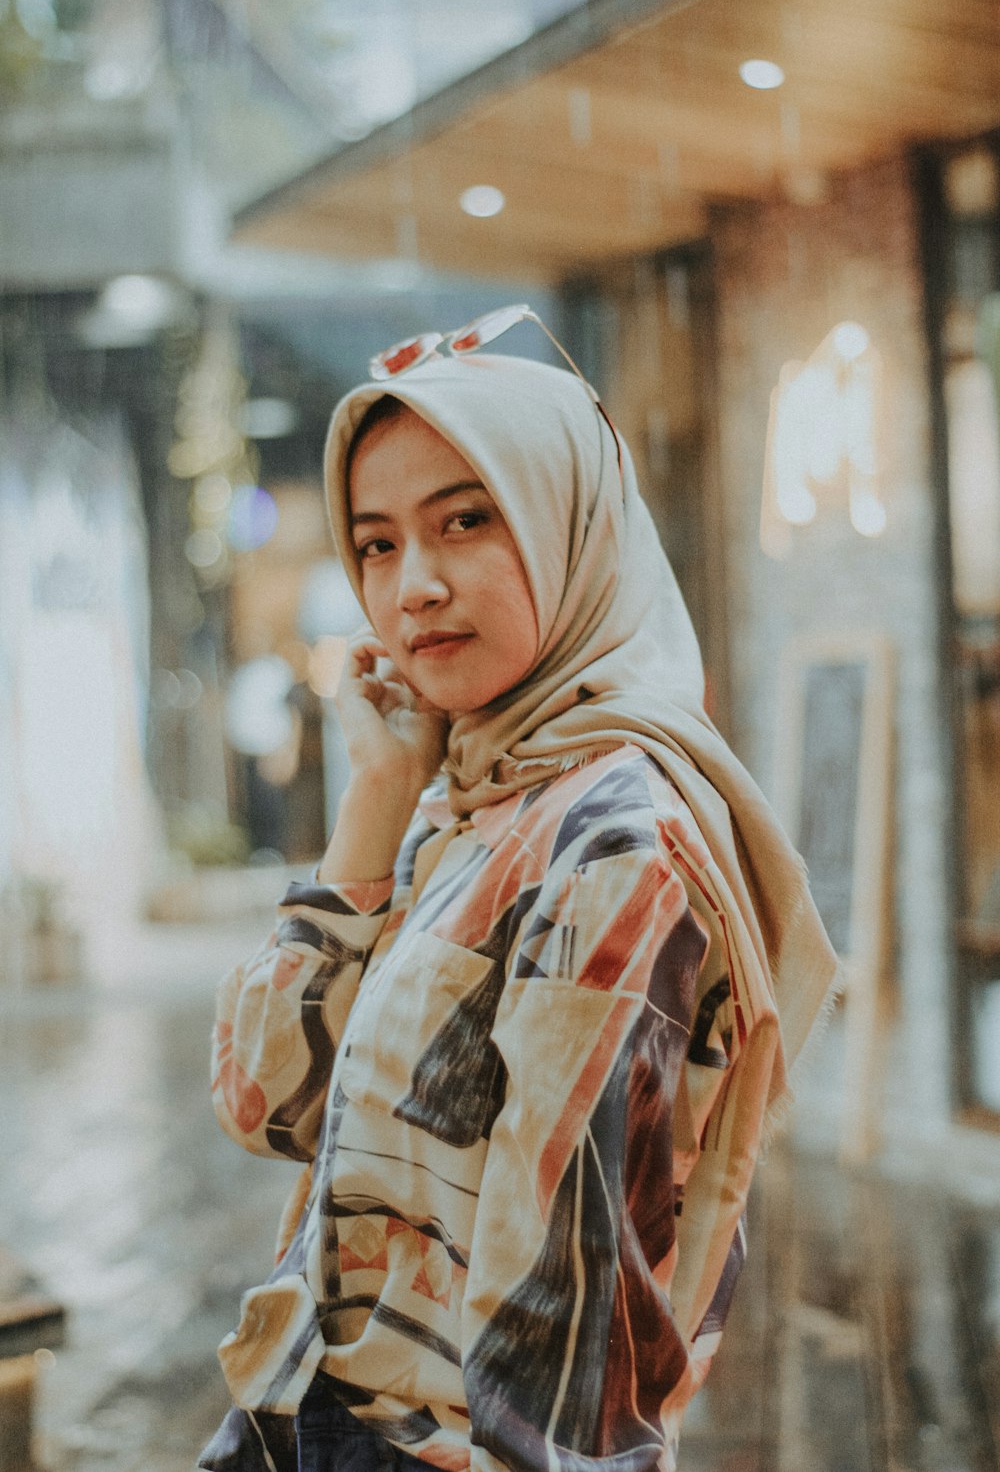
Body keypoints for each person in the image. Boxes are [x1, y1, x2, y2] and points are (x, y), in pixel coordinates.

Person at [198, 307, 837, 1472]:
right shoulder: (473, 799)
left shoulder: (610, 846)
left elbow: (566, 1328)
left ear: (567, 530)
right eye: (377, 543)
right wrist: (376, 801)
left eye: (465, 520)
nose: (415, 586)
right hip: (309, 1416)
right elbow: (267, 1100)